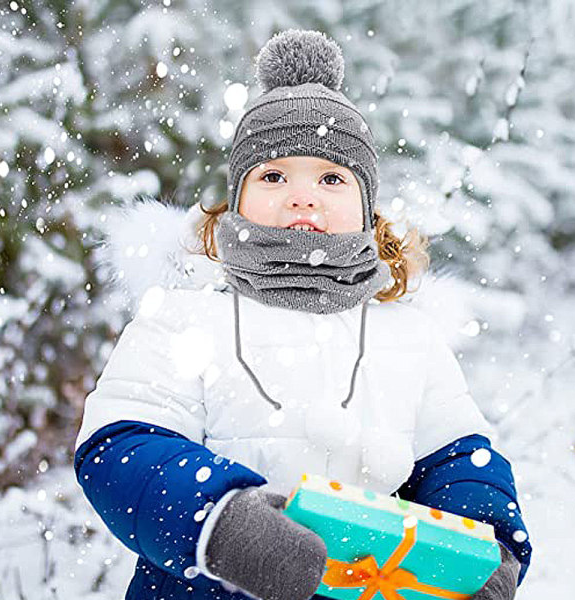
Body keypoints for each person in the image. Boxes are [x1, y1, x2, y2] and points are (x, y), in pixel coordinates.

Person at [74, 29, 532, 600]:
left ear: (367, 209)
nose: (302, 196)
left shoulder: (407, 334)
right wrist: (222, 523)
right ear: (235, 197)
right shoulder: (186, 313)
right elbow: (121, 445)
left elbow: (460, 457)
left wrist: (483, 549)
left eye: (332, 178)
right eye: (273, 175)